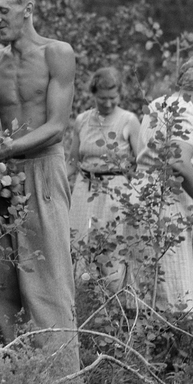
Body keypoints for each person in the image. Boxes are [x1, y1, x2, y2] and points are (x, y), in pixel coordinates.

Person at [0, 0, 79, 376]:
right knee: (0, 284)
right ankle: (9, 381)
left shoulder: (58, 54)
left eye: (3, 10)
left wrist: (3, 148)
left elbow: (56, 127)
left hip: (42, 170)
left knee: (48, 282)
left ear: (28, 8)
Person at [132, 57, 193, 313]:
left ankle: (140, 344)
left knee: (146, 284)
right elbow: (178, 162)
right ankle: (177, 346)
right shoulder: (188, 112)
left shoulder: (157, 104)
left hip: (140, 194)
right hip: (167, 200)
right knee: (175, 291)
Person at [67, 66, 144, 301]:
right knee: (78, 243)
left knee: (111, 246)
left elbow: (142, 162)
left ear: (119, 94)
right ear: (93, 94)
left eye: (113, 98)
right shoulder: (82, 120)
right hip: (84, 188)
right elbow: (72, 161)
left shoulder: (128, 120)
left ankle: (115, 301)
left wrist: (138, 197)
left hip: (115, 190)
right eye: (102, 99)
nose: (108, 104)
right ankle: (80, 300)